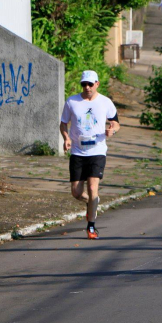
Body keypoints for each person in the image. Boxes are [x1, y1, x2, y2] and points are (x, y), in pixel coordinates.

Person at [60, 70, 120, 240]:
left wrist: (112, 130)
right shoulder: (72, 101)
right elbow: (63, 123)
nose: (87, 87)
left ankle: (91, 226)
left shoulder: (105, 102)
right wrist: (66, 138)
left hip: (97, 151)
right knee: (76, 193)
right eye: (83, 84)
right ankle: (92, 204)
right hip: (78, 152)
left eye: (90, 84)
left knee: (93, 189)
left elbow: (116, 123)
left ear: (97, 84)